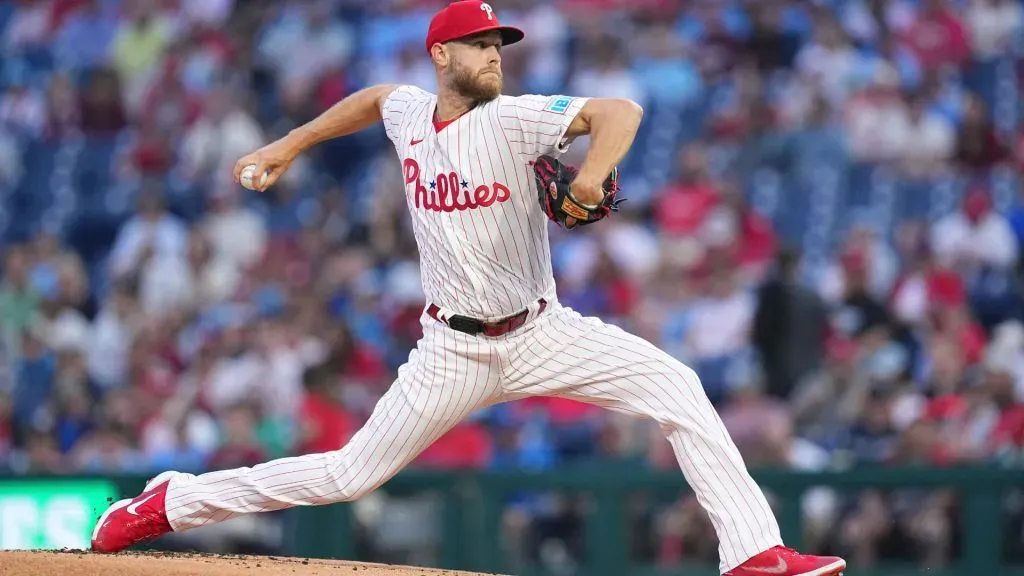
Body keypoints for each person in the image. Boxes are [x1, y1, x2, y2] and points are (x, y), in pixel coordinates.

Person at [91, 3, 846, 575]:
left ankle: (754, 554)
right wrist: (290, 143)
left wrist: (587, 175)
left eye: (500, 46)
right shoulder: (411, 113)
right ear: (443, 54)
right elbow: (375, 96)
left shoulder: (514, 121)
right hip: (450, 348)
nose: (495, 56)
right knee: (346, 474)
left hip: (542, 332)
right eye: (482, 45)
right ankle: (168, 502)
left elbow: (620, 111)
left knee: (678, 388)